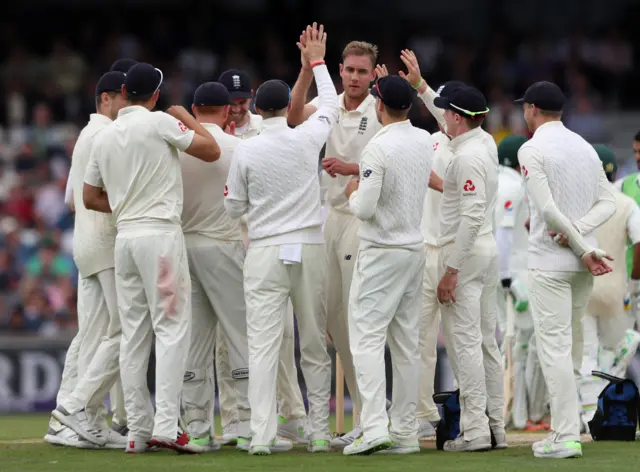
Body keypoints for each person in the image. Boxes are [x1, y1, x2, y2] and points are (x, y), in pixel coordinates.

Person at [61, 62, 221, 454]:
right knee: (171, 329)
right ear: (154, 96)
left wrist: (127, 204)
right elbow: (212, 150)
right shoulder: (159, 123)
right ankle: (166, 426)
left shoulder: (105, 135)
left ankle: (137, 430)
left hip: (125, 239)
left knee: (133, 335)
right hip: (160, 237)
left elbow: (88, 197)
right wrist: (184, 116)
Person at [224, 22, 334, 456]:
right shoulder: (307, 138)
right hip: (308, 246)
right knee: (312, 344)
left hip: (265, 249)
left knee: (264, 346)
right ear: (286, 106)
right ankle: (321, 433)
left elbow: (233, 208)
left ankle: (264, 437)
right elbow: (328, 103)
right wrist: (319, 62)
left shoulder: (246, 149)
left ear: (256, 109)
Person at [288, 36, 382, 447]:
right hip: (327, 220)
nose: (356, 78)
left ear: (374, 73)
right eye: (349, 70)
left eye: (363, 71)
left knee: (356, 320)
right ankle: (365, 415)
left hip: (361, 219)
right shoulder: (329, 104)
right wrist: (308, 68)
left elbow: (394, 160)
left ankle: (371, 417)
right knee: (329, 320)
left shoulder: (380, 109)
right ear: (339, 70)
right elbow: (291, 116)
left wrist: (351, 168)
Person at [514, 81, 616, 458]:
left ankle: (566, 436)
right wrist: (583, 239)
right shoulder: (585, 147)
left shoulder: (532, 148)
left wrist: (577, 240)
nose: (523, 112)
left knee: (555, 350)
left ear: (533, 109)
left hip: (551, 263)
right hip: (579, 266)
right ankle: (568, 430)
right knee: (570, 351)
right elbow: (608, 202)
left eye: (525, 107)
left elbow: (548, 211)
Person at [342, 75, 433, 455]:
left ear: (379, 105)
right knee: (406, 344)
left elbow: (364, 208)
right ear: (408, 106)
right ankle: (407, 433)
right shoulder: (424, 139)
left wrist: (351, 195)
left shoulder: (378, 147)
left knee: (365, 339)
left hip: (382, 251)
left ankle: (375, 427)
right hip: (414, 249)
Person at [218, 68, 308, 445]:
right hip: (224, 243)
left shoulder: (264, 128)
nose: (238, 109)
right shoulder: (209, 135)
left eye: (243, 102)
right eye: (232, 103)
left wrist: (306, 70)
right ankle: (238, 419)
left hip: (264, 244)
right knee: (229, 338)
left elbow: (307, 111)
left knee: (282, 334)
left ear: (252, 99)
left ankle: (292, 414)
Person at [46, 71, 129, 450]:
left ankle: (73, 417)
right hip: (106, 243)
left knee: (93, 335)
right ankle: (79, 409)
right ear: (106, 99)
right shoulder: (106, 135)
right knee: (126, 332)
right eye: (125, 98)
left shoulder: (85, 135)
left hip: (86, 244)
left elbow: (70, 200)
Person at [179, 81, 253, 452]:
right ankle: (249, 422)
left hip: (183, 246)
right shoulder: (239, 147)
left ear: (195, 108)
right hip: (223, 245)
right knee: (240, 332)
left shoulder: (176, 146)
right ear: (227, 112)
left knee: (194, 339)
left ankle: (196, 425)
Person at [434, 85, 506, 452]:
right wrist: (420, 88)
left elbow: (472, 215)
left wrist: (451, 269)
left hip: (466, 254)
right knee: (485, 343)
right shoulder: (485, 143)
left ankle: (476, 431)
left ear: (458, 118)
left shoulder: (466, 158)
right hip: (486, 252)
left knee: (466, 347)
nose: (443, 116)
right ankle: (497, 428)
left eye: (447, 112)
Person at [579, 144, 640, 425]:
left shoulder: (580, 203)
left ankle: (592, 411)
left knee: (587, 351)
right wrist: (635, 278)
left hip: (586, 287)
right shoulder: (627, 203)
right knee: (618, 347)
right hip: (617, 289)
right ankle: (612, 377)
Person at [495, 136, 549, 432]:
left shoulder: (496, 182)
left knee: (512, 344)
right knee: (521, 346)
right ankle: (519, 416)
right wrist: (507, 278)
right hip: (515, 275)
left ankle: (511, 413)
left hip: (504, 271)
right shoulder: (513, 186)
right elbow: (503, 235)